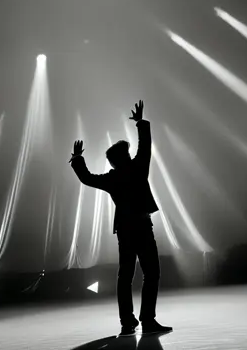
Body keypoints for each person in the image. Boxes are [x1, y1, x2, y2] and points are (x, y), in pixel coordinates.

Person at [69, 100, 172, 336]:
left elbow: (86, 178)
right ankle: (147, 320)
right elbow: (145, 146)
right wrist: (140, 123)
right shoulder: (137, 168)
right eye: (126, 152)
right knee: (151, 273)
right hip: (143, 227)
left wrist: (77, 158)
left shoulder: (112, 178)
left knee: (125, 276)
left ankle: (127, 323)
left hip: (125, 230)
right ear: (124, 157)